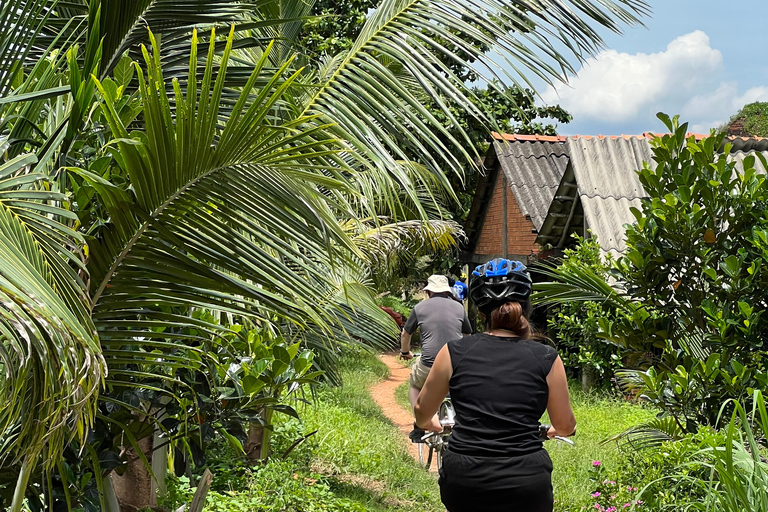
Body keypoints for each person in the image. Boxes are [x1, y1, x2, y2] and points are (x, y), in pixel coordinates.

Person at [414, 258, 576, 512]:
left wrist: (432, 424)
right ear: (526, 307)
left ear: (480, 313)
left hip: (464, 480)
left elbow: (422, 412)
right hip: (526, 482)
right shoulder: (546, 357)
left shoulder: (453, 352)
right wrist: (555, 430)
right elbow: (566, 426)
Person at [400, 274, 472, 440]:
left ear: (428, 292)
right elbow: (467, 335)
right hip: (456, 364)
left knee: (415, 384)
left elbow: (405, 334)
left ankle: (420, 422)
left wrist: (405, 352)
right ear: (447, 292)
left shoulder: (420, 308)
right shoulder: (459, 308)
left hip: (429, 363)